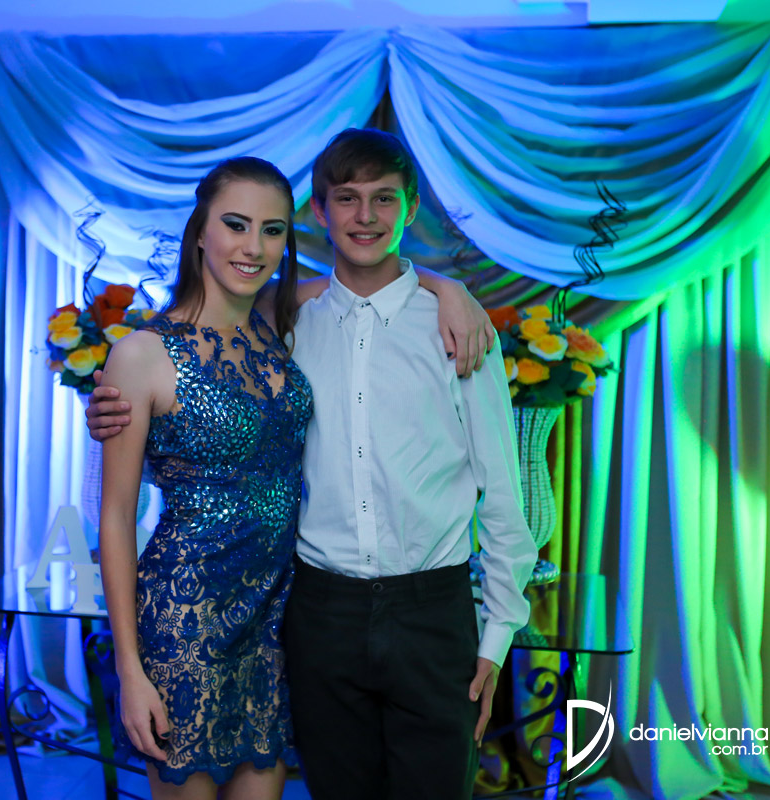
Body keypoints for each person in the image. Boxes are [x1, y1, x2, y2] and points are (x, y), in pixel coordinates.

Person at [91, 128, 536, 800]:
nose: (365, 216)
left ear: (410, 208)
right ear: (320, 212)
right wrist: (111, 410)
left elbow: (502, 490)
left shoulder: (414, 325)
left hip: (362, 614)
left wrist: (448, 288)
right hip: (259, 613)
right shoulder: (250, 327)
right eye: (347, 198)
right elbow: (133, 489)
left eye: (270, 230)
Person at [99, 157, 311, 800]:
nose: (254, 247)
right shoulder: (141, 354)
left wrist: (448, 289)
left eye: (272, 230)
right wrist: (130, 669)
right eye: (236, 224)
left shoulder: (281, 327)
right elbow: (115, 518)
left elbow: (368, 280)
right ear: (199, 232)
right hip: (184, 622)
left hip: (275, 623)